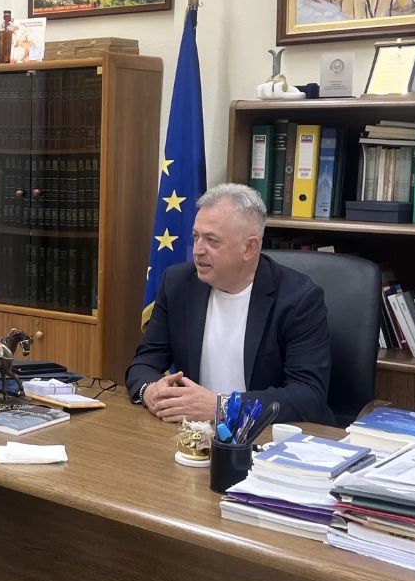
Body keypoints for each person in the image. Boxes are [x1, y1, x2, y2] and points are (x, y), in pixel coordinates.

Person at [125, 183, 333, 426]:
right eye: (196, 237)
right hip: (194, 433)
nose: (197, 250)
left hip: (264, 435)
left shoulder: (299, 299)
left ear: (249, 248)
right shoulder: (177, 284)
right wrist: (150, 391)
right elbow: (144, 363)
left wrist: (222, 406)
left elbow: (308, 397)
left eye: (212, 240)